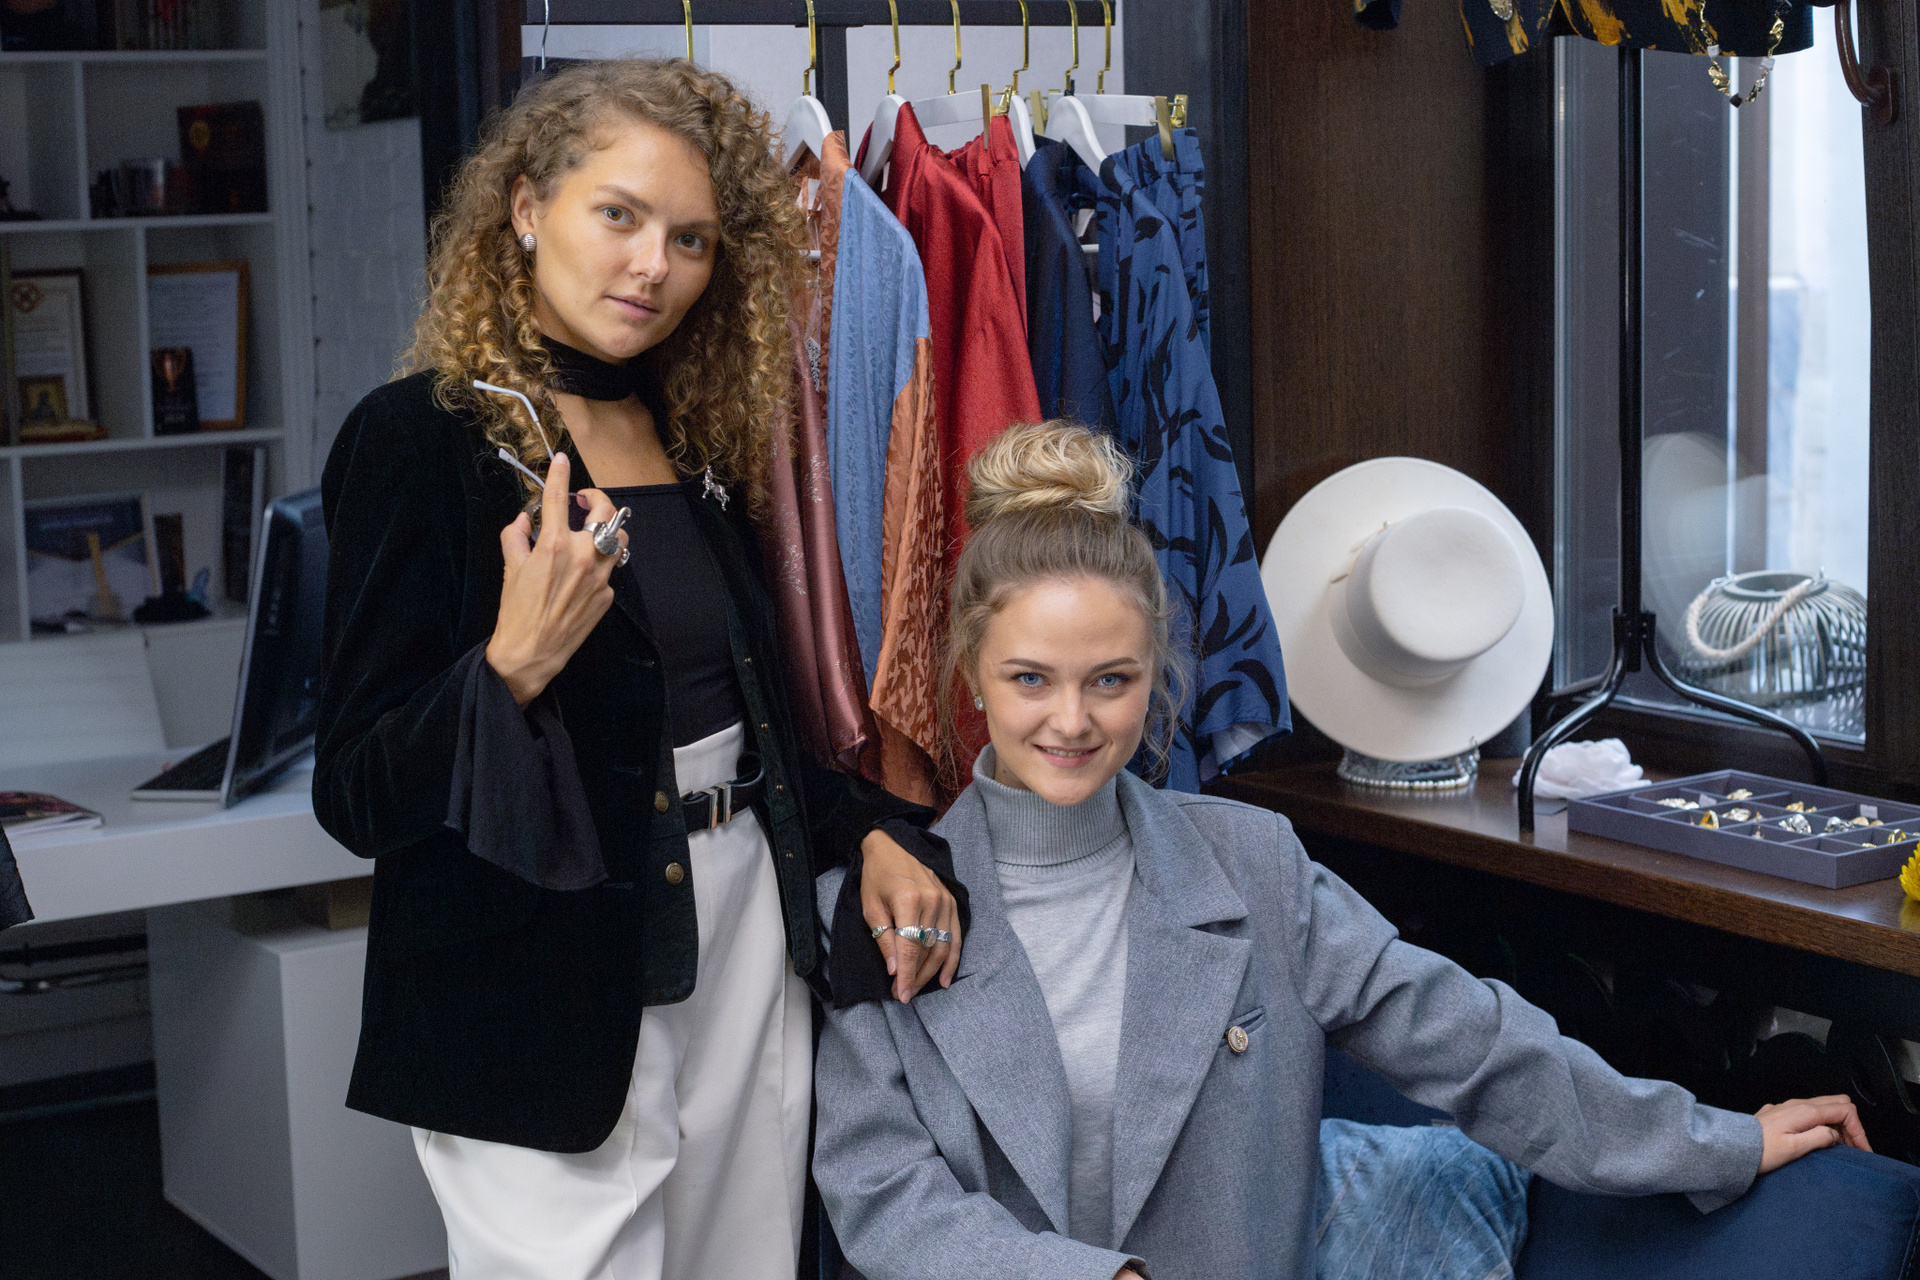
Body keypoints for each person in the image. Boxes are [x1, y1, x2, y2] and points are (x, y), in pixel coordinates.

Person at [810, 421, 1869, 1280]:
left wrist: (1717, 1139)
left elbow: (1474, 1041)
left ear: (1156, 674)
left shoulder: (1252, 867)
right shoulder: (876, 901)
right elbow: (881, 1192)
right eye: (1031, 679)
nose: (1073, 720)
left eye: (1112, 680)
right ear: (972, 671)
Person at [313, 59, 964, 1280]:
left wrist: (869, 829)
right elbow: (353, 792)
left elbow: (748, 723)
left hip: (744, 938)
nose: (653, 264)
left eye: (692, 238)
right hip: (532, 980)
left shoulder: (692, 436)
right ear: (525, 206)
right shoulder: (418, 440)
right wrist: (509, 664)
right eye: (618, 213)